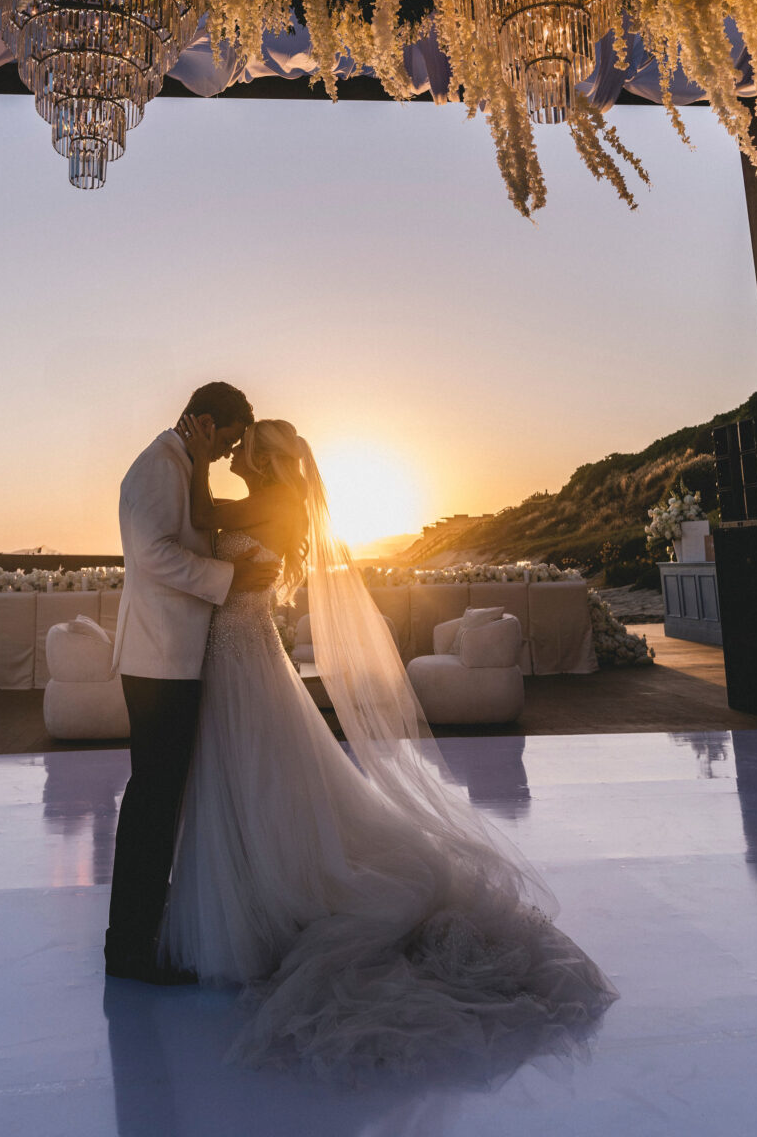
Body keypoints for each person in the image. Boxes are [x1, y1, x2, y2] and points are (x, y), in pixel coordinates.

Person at [156, 415, 618, 1076]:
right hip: (242, 651)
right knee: (257, 776)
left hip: (241, 656)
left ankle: (265, 896)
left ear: (259, 463)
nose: (230, 456)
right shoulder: (272, 502)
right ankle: (257, 882)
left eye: (239, 449)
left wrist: (191, 454)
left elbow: (202, 513)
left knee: (253, 772)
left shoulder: (267, 503)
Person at [104, 383, 279, 984]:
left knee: (160, 801)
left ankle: (137, 934)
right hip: (158, 660)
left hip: (173, 656)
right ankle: (127, 949)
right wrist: (228, 578)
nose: (230, 450)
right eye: (227, 437)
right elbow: (152, 553)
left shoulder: (183, 466)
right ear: (205, 422)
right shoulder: (158, 466)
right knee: (153, 802)